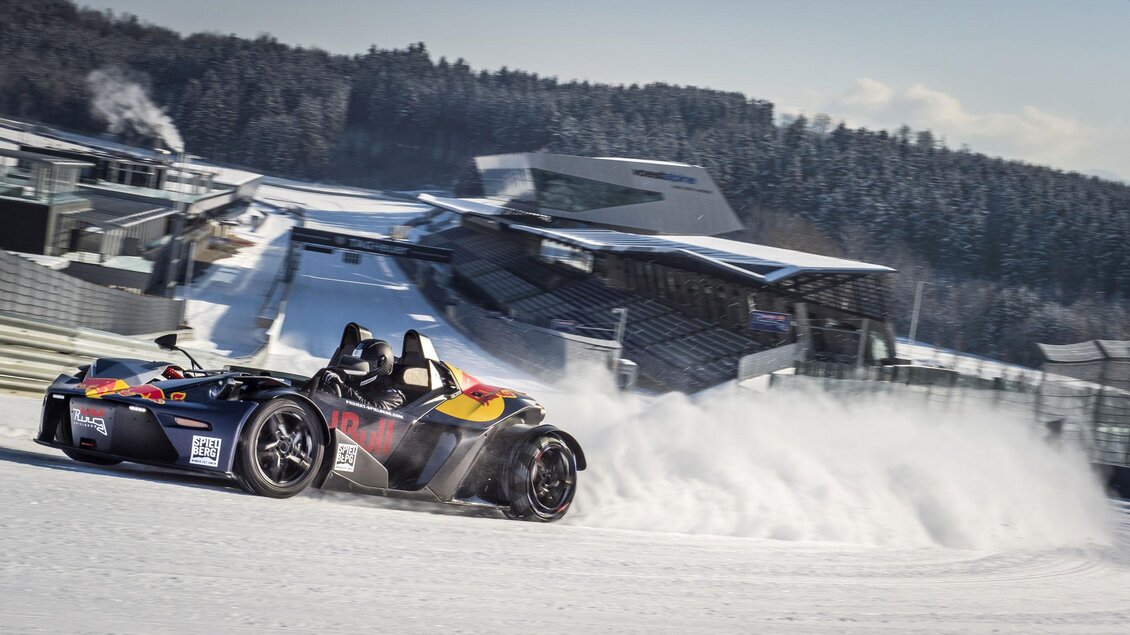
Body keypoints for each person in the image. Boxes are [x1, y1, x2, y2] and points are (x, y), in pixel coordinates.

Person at [322, 339, 406, 410]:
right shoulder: (356, 383)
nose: (356, 365)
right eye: (355, 360)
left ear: (379, 363)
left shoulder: (393, 396)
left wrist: (343, 388)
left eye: (362, 362)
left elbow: (372, 411)